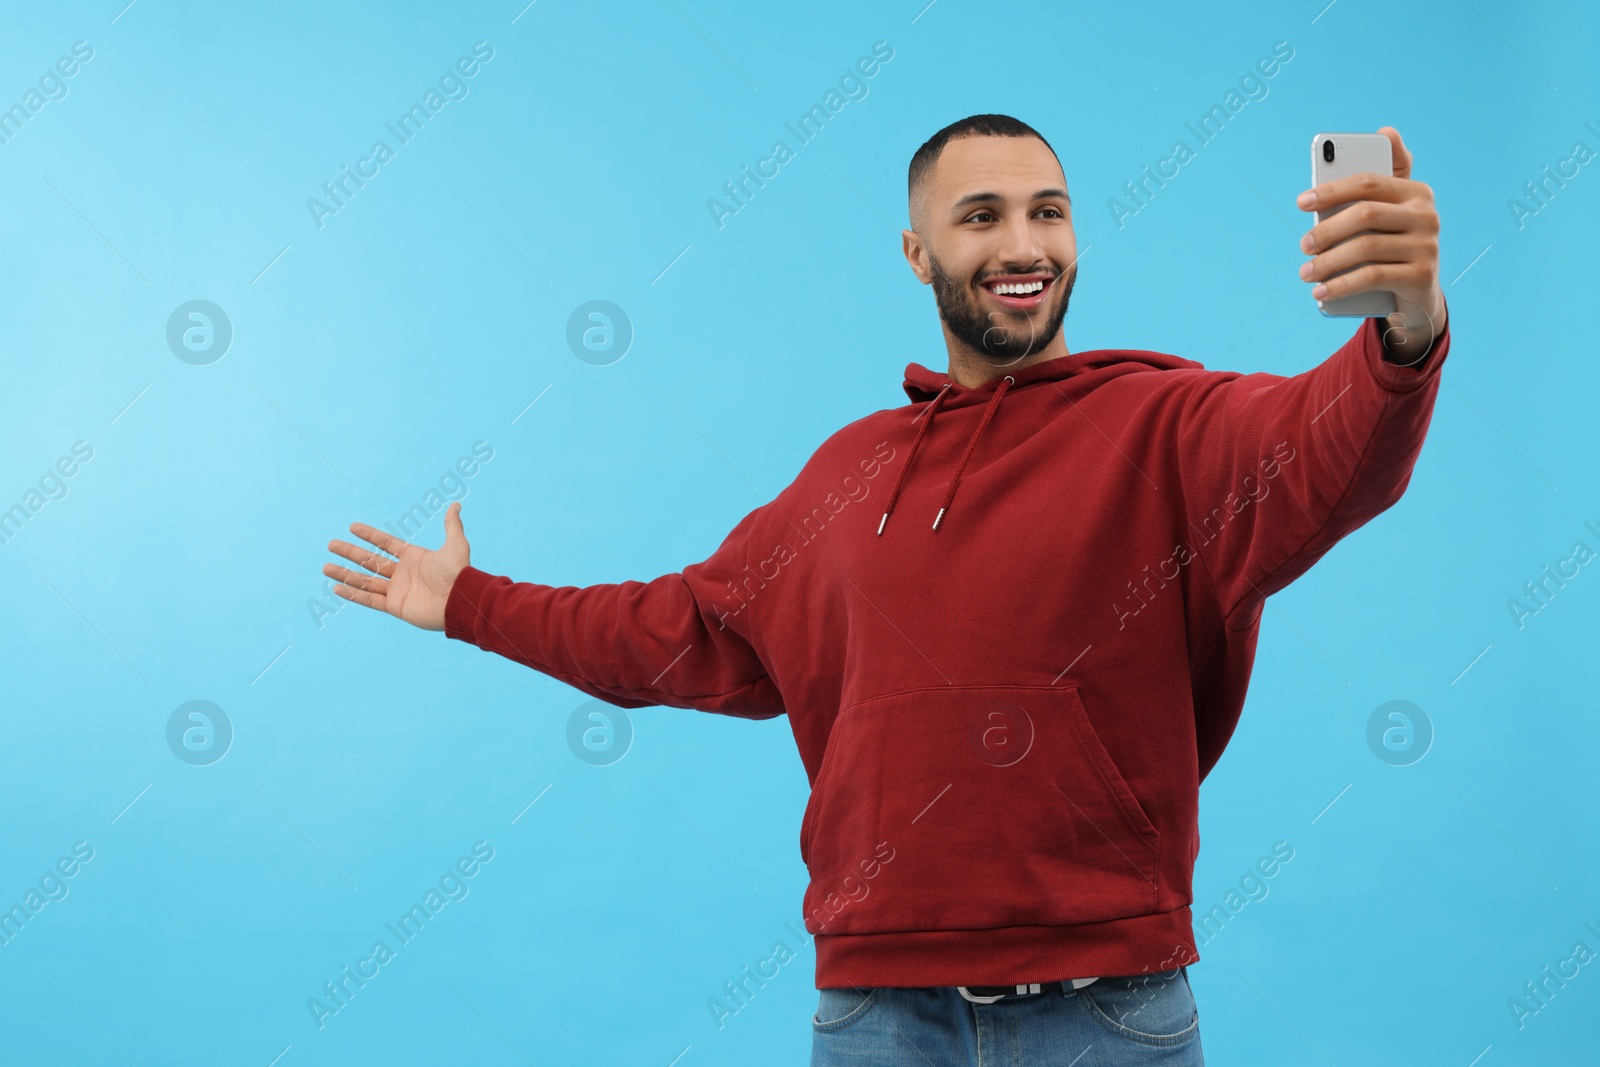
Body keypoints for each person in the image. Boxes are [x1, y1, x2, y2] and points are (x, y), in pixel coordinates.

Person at [322, 114, 1449, 1065]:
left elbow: (1322, 446)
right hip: (875, 1016)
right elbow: (668, 630)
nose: (1024, 243)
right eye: (982, 216)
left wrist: (1402, 328)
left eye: (1048, 211)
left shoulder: (1170, 424)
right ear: (917, 253)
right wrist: (465, 600)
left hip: (1105, 1006)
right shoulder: (845, 474)